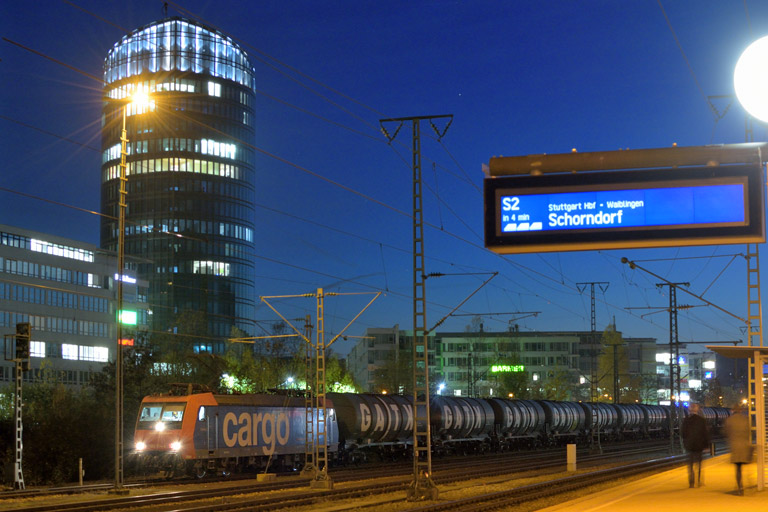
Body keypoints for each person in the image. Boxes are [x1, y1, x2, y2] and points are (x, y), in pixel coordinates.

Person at [681, 403, 710, 488]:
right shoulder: (702, 420)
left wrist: (686, 441)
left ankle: (691, 482)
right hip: (699, 445)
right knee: (699, 464)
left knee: (690, 465)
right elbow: (705, 434)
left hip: (689, 445)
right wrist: (706, 445)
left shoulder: (686, 420)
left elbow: (683, 433)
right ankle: (699, 481)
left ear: (689, 410)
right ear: (697, 410)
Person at [725, 405, 752, 495]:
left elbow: (726, 433)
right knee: (741, 467)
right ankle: (741, 486)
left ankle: (740, 486)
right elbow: (749, 432)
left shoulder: (729, 420)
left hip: (735, 446)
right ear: (741, 410)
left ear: (733, 410)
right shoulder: (745, 419)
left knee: (738, 468)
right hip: (744, 446)